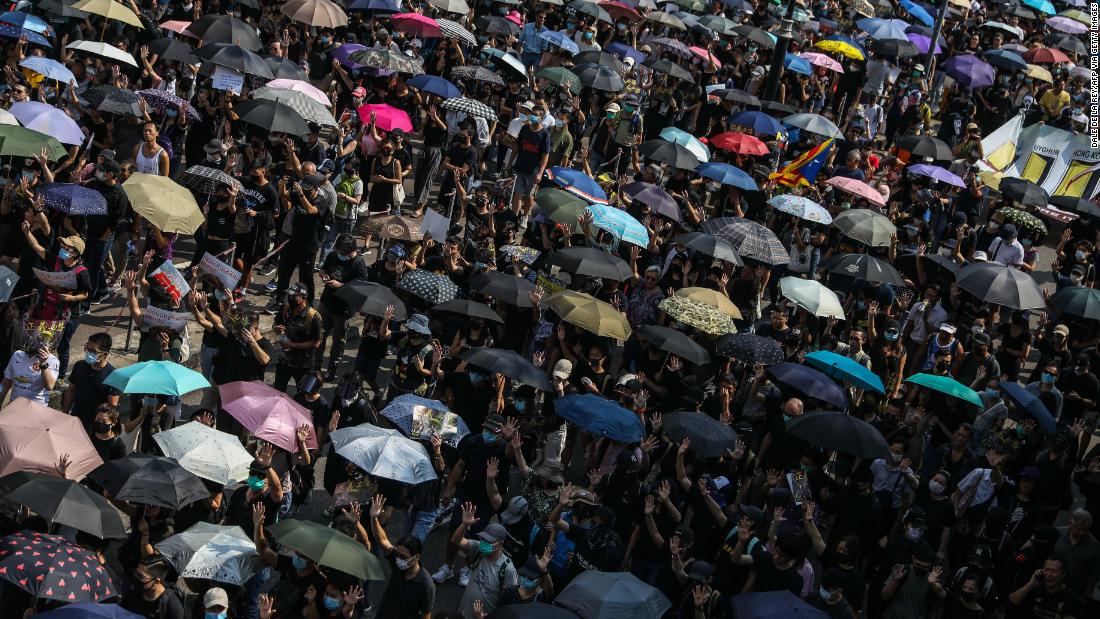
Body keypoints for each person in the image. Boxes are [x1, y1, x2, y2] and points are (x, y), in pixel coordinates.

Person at [369, 495, 436, 619]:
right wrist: (374, 518)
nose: (398, 559)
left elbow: (426, 615)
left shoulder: (426, 585)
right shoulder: (396, 561)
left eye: (403, 557)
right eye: (398, 554)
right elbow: (382, 540)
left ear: (416, 557)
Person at [61, 332, 120, 430]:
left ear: (104, 354)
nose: (88, 353)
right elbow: (71, 391)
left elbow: (111, 407)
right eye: (87, 349)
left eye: (93, 351)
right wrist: (65, 413)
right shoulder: (79, 366)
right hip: (76, 420)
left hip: (95, 426)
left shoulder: (114, 376)